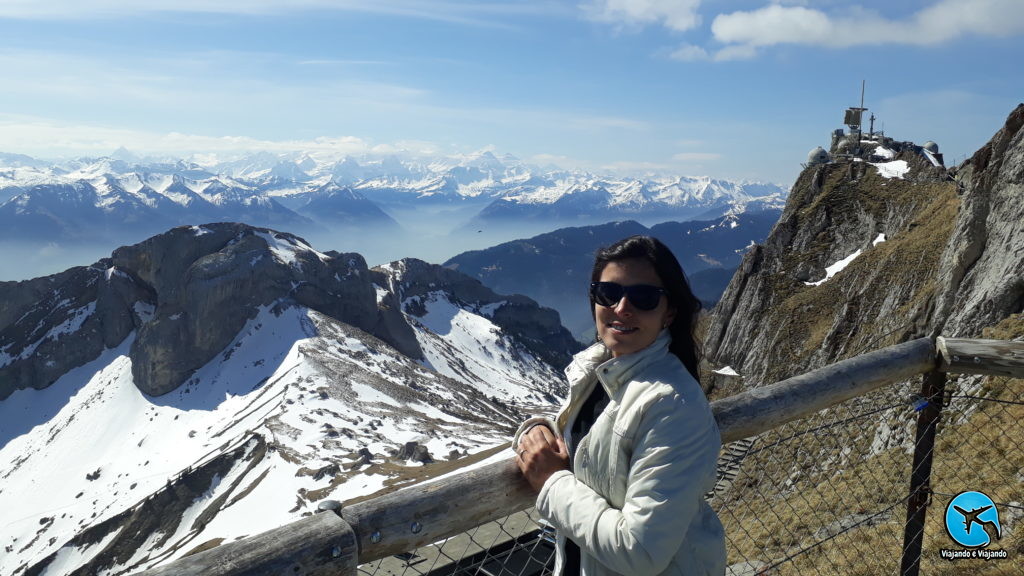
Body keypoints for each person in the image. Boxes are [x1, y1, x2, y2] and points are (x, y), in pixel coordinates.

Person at [512, 235, 725, 576]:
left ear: (669, 312)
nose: (622, 307)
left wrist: (551, 482)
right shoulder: (600, 371)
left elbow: (639, 551)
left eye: (644, 297)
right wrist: (539, 428)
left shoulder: (672, 405)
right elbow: (593, 442)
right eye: (608, 293)